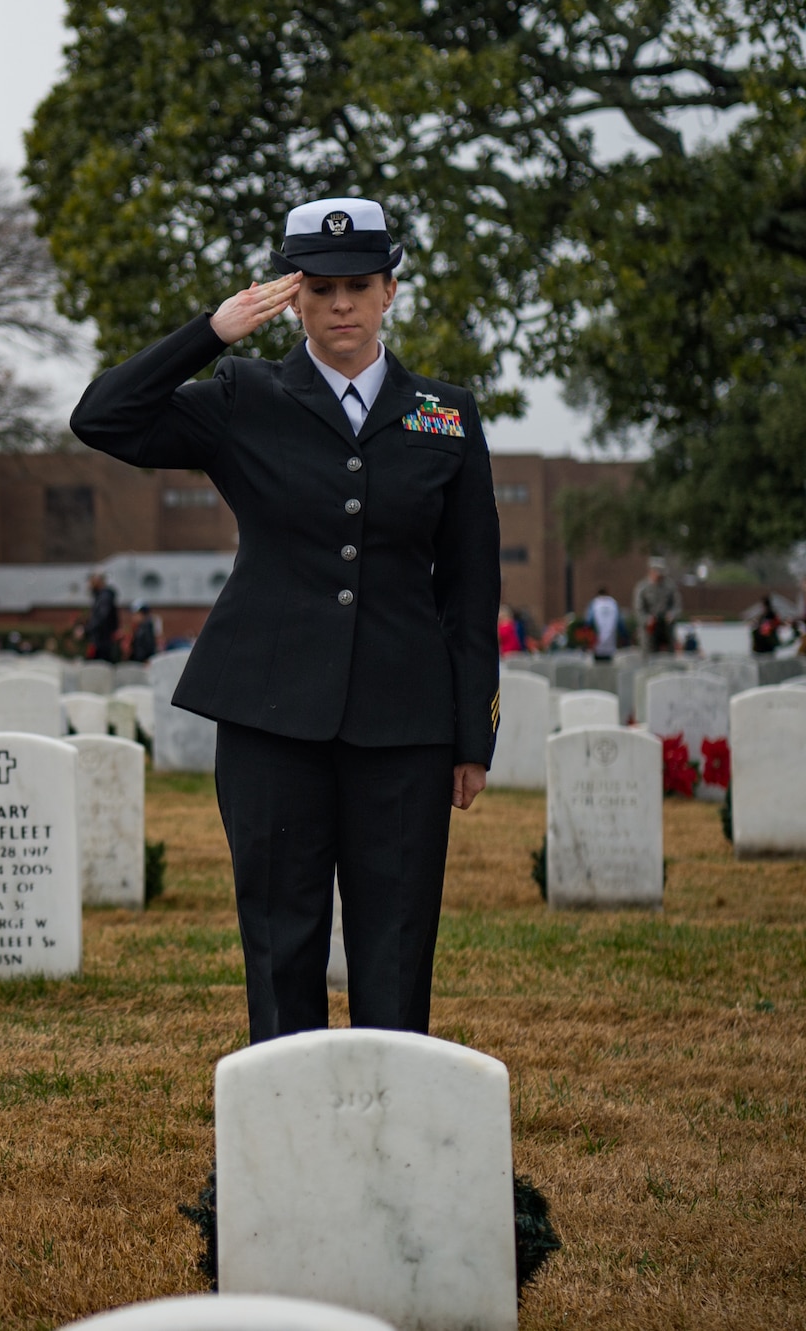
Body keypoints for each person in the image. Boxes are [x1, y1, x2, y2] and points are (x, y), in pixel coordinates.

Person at [69, 195, 499, 1044]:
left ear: (389, 292)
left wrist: (470, 736)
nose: (342, 304)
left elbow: (470, 589)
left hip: (404, 723)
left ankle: (391, 1153)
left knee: (398, 949)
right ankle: (283, 1162)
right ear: (293, 296)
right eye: (322, 286)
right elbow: (102, 417)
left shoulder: (444, 415)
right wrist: (212, 332)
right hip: (270, 717)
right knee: (279, 944)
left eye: (360, 285)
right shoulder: (243, 394)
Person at [633, 559, 682, 654]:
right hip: (650, 627)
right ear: (651, 572)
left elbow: (677, 605)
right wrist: (647, 619)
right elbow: (638, 609)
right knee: (648, 650)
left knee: (669, 651)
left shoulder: (670, 586)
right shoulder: (642, 587)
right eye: (657, 573)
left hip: (666, 625)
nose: (659, 577)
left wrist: (672, 615)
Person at [84, 570, 121, 661]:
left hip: (103, 642)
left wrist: (87, 629)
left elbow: (101, 618)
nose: (90, 583)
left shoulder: (104, 598)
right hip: (101, 641)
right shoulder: (100, 597)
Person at [586, 586, 621, 661]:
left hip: (597, 642)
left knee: (597, 665)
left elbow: (588, 622)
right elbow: (620, 622)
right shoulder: (613, 603)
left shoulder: (594, 603)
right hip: (611, 641)